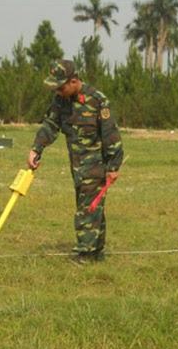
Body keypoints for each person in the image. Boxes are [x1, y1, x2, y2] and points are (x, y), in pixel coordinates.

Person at [27, 60, 124, 263]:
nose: (58, 91)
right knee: (91, 208)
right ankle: (96, 252)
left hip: (96, 165)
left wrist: (113, 166)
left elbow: (111, 135)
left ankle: (85, 254)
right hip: (77, 166)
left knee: (87, 209)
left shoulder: (97, 101)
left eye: (61, 87)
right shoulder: (61, 101)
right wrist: (36, 148)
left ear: (74, 81)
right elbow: (51, 125)